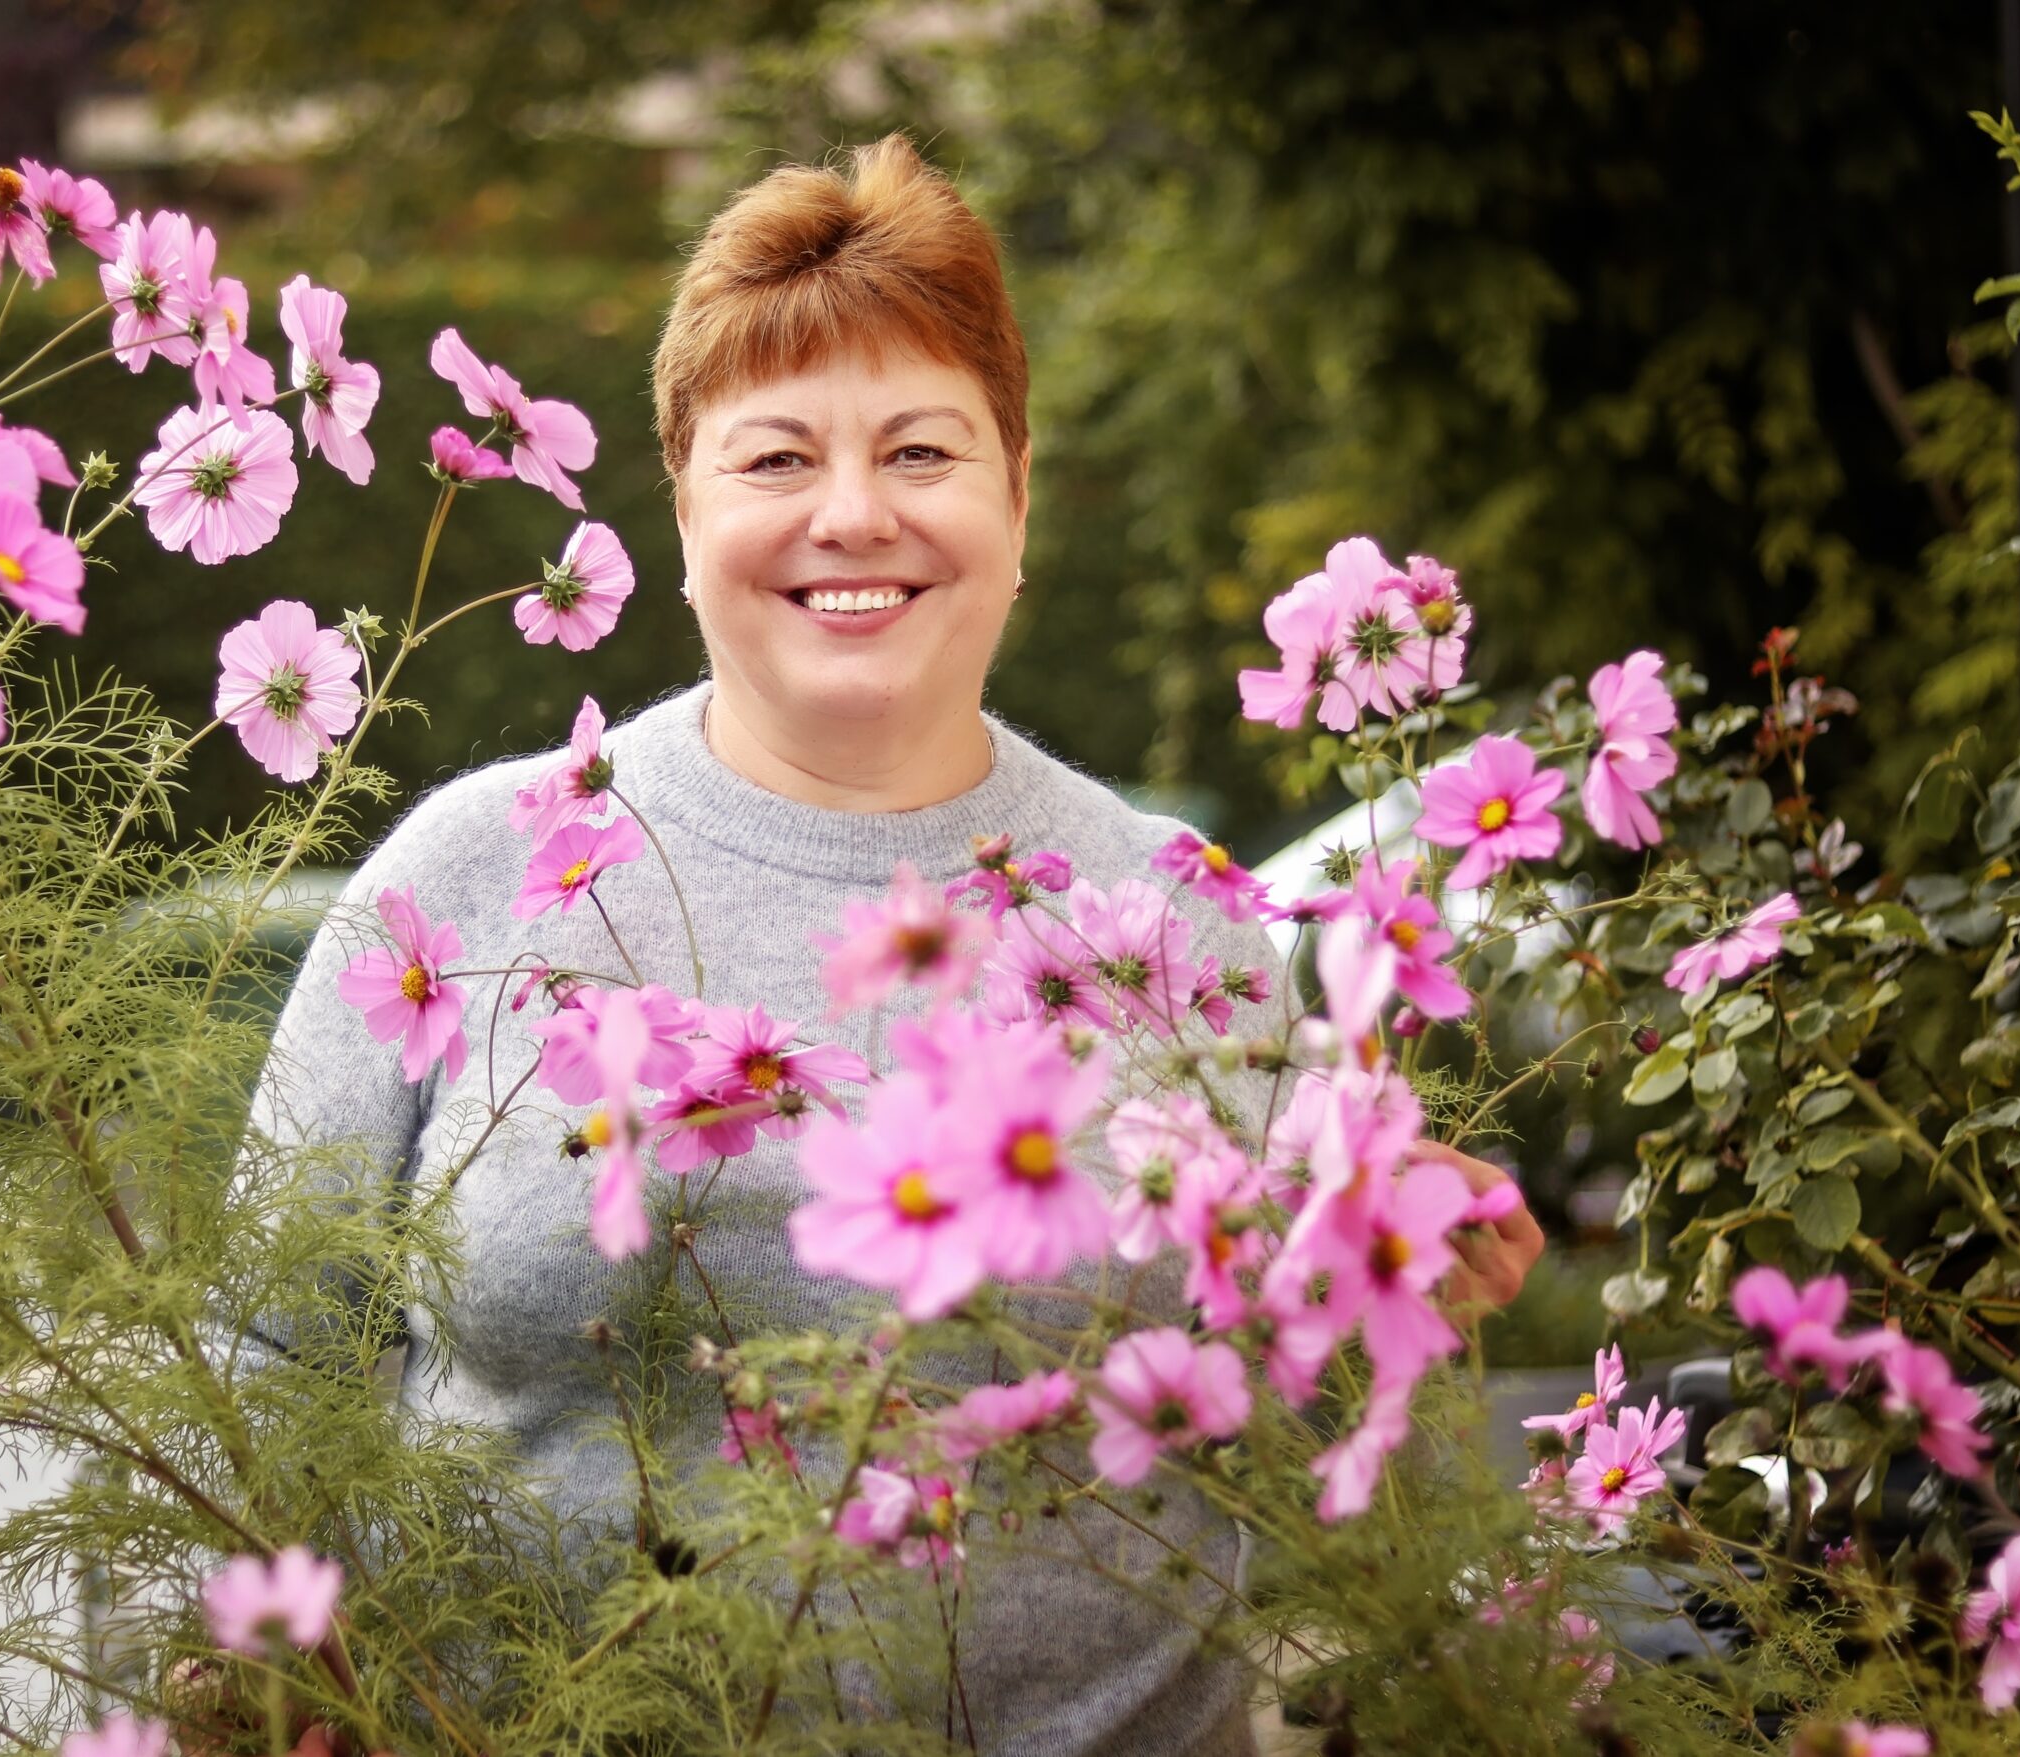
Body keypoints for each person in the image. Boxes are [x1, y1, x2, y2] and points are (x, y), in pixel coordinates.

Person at [249, 133, 1542, 1753]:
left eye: (921, 452)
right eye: (776, 459)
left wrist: (1410, 1289)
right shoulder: (475, 875)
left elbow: (1329, 1460)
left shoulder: (1171, 919)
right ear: (684, 504)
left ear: (1020, 494)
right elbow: (259, 1355)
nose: (851, 516)